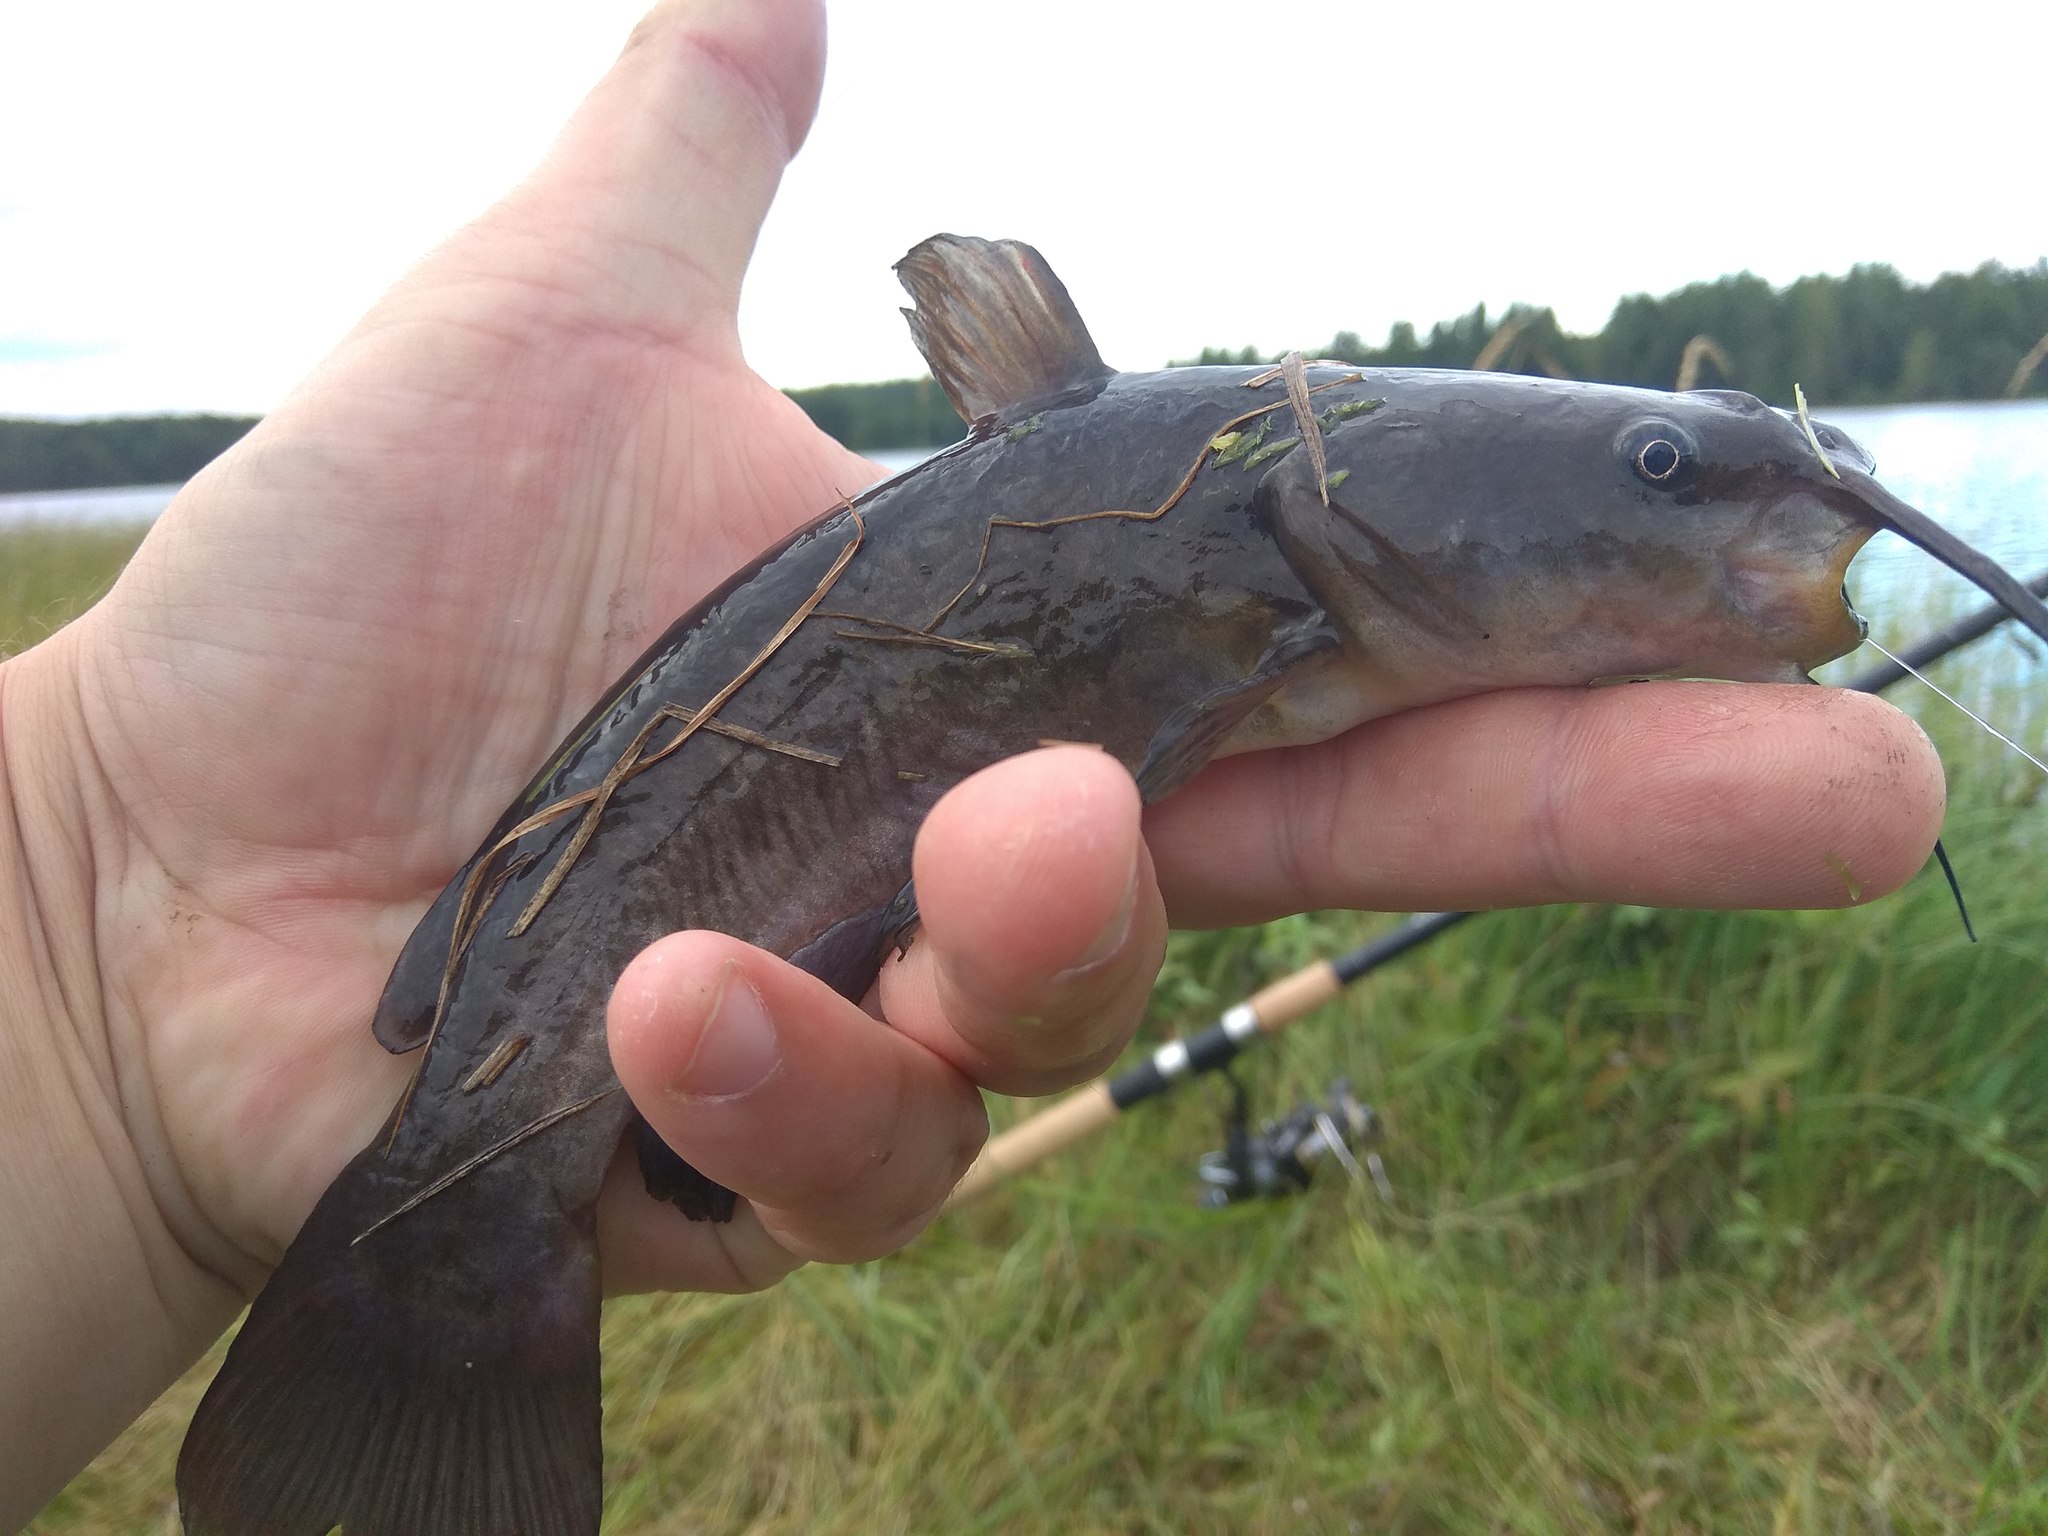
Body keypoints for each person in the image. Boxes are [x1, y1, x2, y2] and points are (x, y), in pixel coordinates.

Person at [0, 0, 1946, 1522]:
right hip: (519, 1022)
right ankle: (436, 1295)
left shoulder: (1265, 547)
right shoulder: (1238, 538)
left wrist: (91, 945)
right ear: (1345, 502)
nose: (1708, 501)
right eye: (1662, 472)